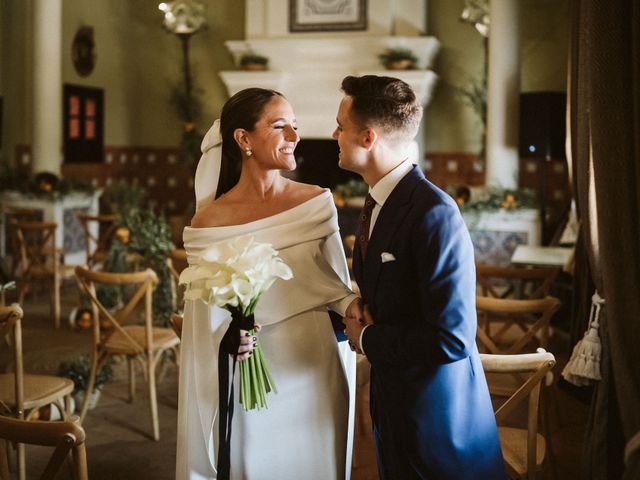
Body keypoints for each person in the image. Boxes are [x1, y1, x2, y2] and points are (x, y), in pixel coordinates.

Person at [176, 87, 359, 480]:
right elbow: (200, 319)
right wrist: (228, 338)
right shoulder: (210, 224)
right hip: (249, 370)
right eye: (280, 127)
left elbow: (335, 288)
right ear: (243, 138)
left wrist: (360, 309)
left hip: (314, 363)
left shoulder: (317, 202)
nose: (294, 137)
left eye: (295, 126)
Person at [337, 75, 506, 479]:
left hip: (435, 422)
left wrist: (368, 338)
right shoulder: (377, 199)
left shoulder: (435, 212)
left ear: (368, 138)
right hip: (395, 406)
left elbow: (453, 337)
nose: (334, 134)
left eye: (341, 126)